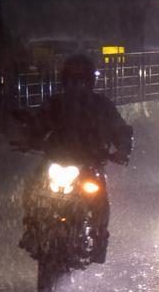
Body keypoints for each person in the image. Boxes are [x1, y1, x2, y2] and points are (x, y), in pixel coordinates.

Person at [18, 54, 133, 262]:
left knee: (99, 199)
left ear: (89, 81)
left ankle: (99, 240)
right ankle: (31, 230)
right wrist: (27, 140)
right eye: (72, 80)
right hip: (56, 160)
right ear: (65, 81)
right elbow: (38, 124)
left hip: (90, 163)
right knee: (32, 188)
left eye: (80, 80)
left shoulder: (102, 105)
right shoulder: (54, 103)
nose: (76, 85)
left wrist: (123, 149)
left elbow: (120, 129)